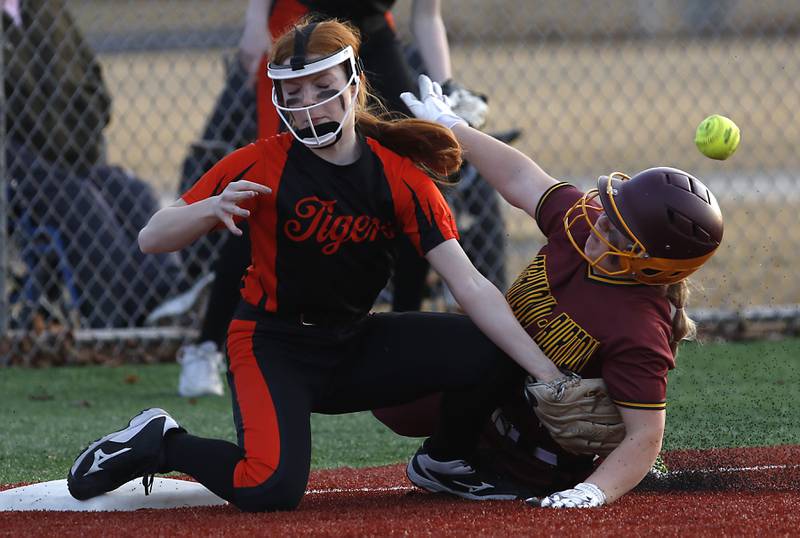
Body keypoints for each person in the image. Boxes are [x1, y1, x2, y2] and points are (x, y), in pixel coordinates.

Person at [66, 20, 565, 512]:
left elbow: (470, 285)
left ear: (354, 84)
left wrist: (546, 372)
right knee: (270, 490)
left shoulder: (398, 175)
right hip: (272, 343)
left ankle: (447, 461)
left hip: (353, 342)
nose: (309, 107)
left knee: (494, 349)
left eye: (323, 89)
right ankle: (162, 441)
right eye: (295, 93)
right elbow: (151, 237)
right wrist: (205, 211)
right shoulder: (260, 162)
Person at [374, 74, 725, 507]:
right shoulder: (585, 223)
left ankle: (453, 460)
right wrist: (455, 128)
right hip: (496, 385)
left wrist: (593, 491)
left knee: (491, 352)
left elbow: (646, 435)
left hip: (536, 459)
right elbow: (523, 179)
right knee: (393, 377)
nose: (600, 220)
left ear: (650, 263)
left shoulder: (637, 328)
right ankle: (454, 447)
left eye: (618, 227)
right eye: (611, 209)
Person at [170, 0, 490, 397]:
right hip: (300, 25)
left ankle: (404, 337)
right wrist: (255, 21)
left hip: (370, 34)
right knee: (267, 189)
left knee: (411, 173)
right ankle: (207, 346)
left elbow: (427, 16)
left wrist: (448, 84)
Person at [4, 0, 185, 328]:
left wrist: (75, 131)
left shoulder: (45, 9)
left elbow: (92, 85)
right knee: (83, 203)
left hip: (71, 152)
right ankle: (117, 321)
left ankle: (166, 295)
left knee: (131, 192)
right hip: (15, 166)